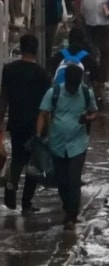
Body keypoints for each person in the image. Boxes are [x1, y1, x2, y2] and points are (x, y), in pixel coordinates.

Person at [36, 63, 97, 229]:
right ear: (66, 81)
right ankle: (67, 207)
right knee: (62, 181)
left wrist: (88, 118)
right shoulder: (54, 93)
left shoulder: (86, 93)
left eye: (75, 85)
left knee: (74, 180)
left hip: (78, 144)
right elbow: (43, 114)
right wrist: (38, 136)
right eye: (70, 85)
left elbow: (94, 112)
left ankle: (71, 217)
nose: (72, 89)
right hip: (57, 144)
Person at [0, 35, 52, 213]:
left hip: (15, 123)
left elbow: (4, 98)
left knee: (17, 159)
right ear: (36, 50)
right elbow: (46, 106)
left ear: (21, 49)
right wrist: (48, 129)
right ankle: (26, 203)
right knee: (33, 164)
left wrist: (0, 121)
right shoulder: (42, 74)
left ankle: (10, 190)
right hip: (35, 125)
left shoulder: (9, 70)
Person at [48, 27, 102, 93]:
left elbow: (51, 75)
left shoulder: (58, 56)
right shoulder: (89, 59)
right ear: (83, 41)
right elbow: (96, 81)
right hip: (81, 95)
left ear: (69, 40)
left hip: (60, 95)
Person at [73, 0, 109, 85]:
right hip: (87, 20)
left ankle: (102, 79)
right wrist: (77, 15)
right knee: (89, 50)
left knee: (106, 51)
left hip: (104, 21)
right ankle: (91, 76)